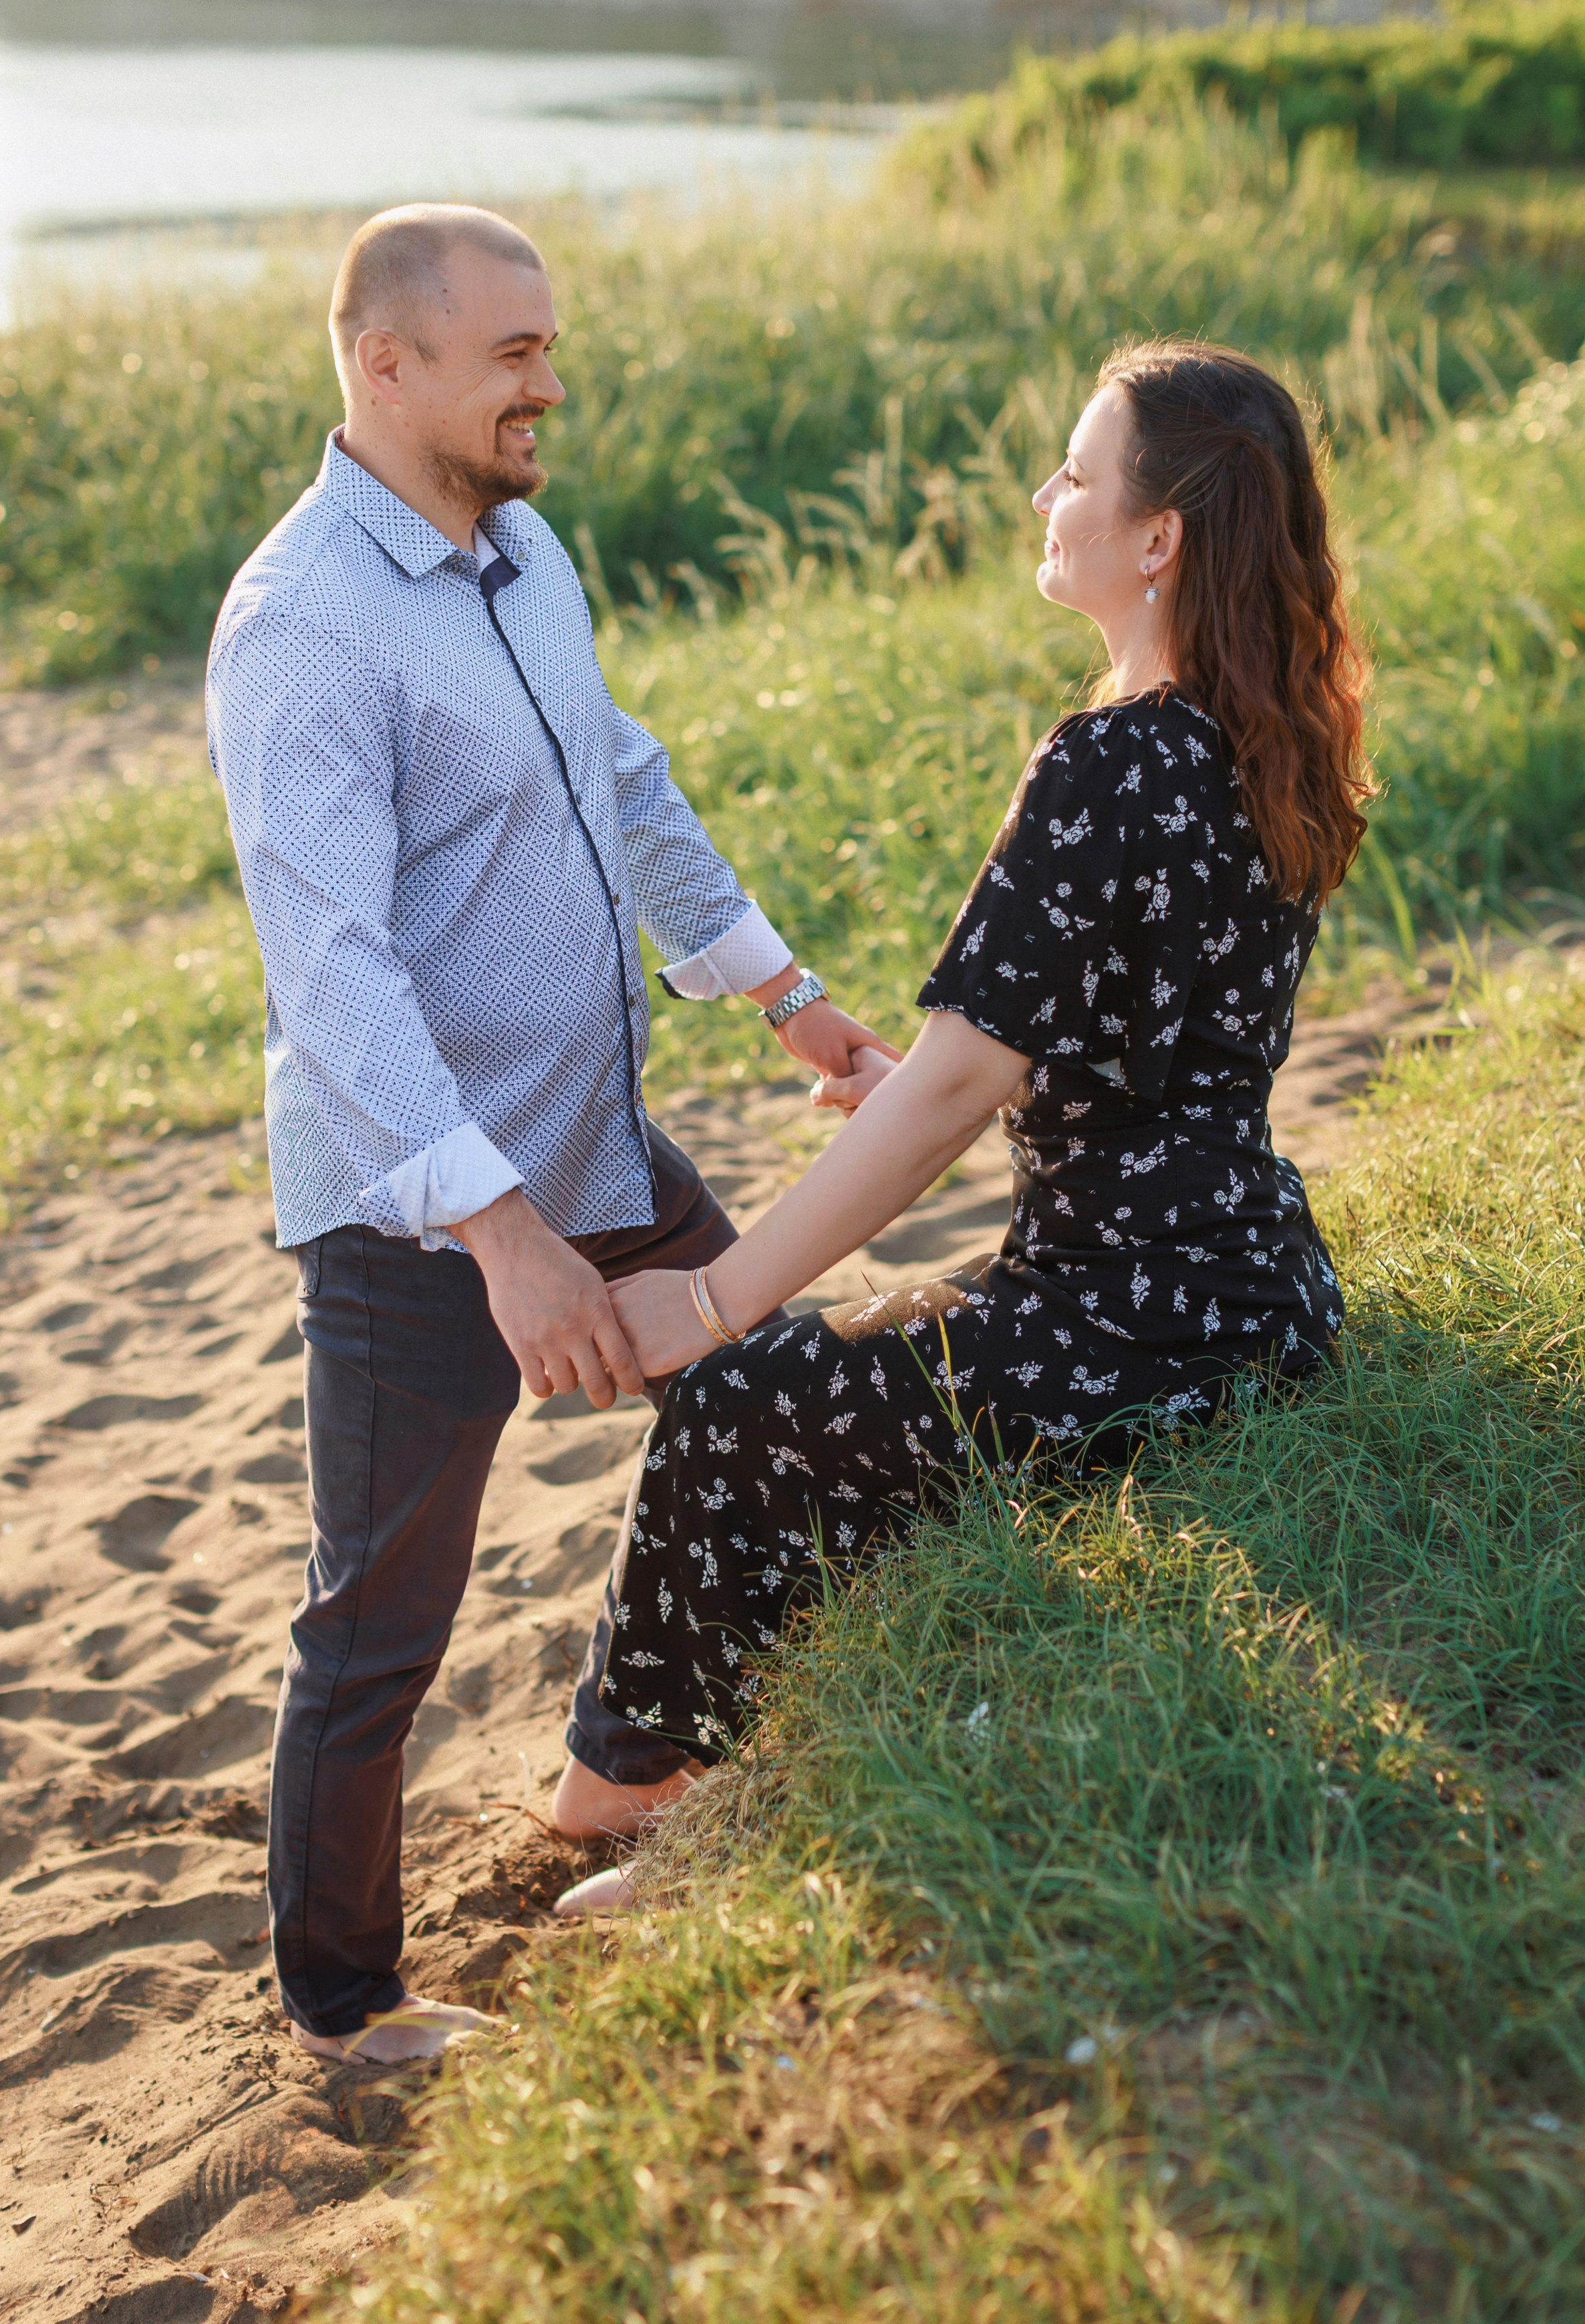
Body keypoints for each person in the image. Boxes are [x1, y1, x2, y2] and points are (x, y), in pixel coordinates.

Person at [205, 203, 896, 2062]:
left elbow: (625, 773)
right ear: (386, 363)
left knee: (780, 1392)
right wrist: (503, 1239)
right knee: (379, 1620)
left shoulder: (523, 548)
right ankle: (346, 2009)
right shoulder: (299, 629)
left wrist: (779, 990)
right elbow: (332, 976)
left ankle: (646, 1776)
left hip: (599, 1144)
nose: (551, 383)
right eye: (514, 352)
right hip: (419, 1217)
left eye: (549, 345)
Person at [556, 337, 1371, 1900]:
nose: (1043, 494)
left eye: (1077, 469)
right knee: (858, 1396)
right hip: (1264, 1289)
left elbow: (951, 1091)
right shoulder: (1264, 738)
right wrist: (958, 1079)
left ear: (1156, 539)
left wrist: (716, 1299)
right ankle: (727, 1775)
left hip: (1128, 1322)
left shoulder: (1104, 760)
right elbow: (1151, 1040)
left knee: (739, 1401)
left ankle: (632, 1800)